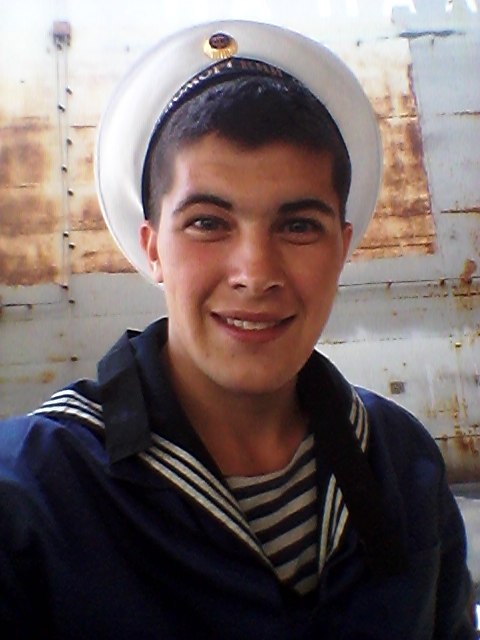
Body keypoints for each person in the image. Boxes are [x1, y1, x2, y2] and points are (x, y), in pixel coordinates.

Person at [0, 20, 475, 639]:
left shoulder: (401, 461)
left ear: (341, 249)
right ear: (154, 249)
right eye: (207, 222)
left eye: (298, 226)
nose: (255, 274)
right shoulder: (30, 497)